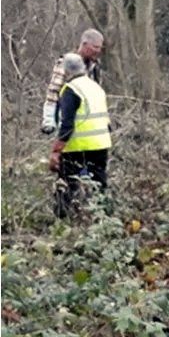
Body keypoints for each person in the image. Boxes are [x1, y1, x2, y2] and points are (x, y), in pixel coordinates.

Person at [48, 53, 112, 216]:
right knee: (99, 184)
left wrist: (56, 150)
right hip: (101, 143)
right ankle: (103, 217)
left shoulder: (71, 90)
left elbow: (67, 125)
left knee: (67, 184)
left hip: (77, 146)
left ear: (66, 71)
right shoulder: (96, 87)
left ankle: (63, 218)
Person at [41, 28, 103, 134]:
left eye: (100, 47)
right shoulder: (66, 63)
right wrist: (49, 121)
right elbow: (53, 92)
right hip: (66, 121)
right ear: (84, 44)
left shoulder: (94, 66)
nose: (98, 51)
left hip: (88, 124)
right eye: (95, 47)